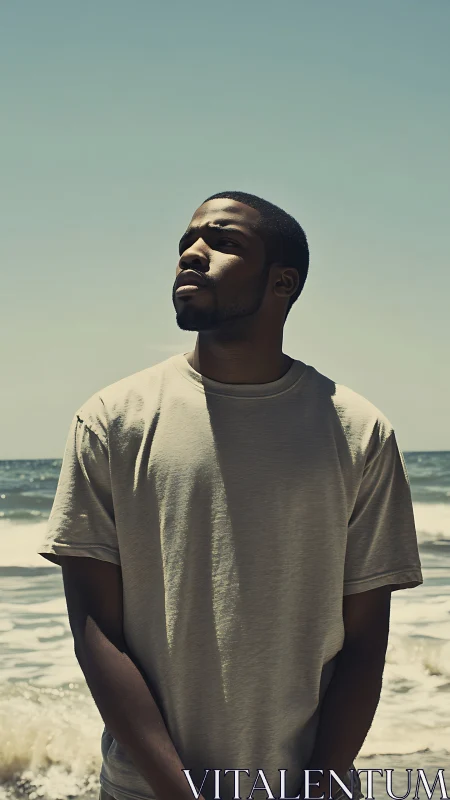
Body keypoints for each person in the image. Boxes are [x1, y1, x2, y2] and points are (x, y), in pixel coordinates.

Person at [37, 191, 423, 800]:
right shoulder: (114, 420)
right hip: (148, 790)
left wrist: (316, 788)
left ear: (282, 283)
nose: (192, 253)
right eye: (187, 241)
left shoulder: (356, 431)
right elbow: (95, 631)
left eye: (223, 242)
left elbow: (366, 639)